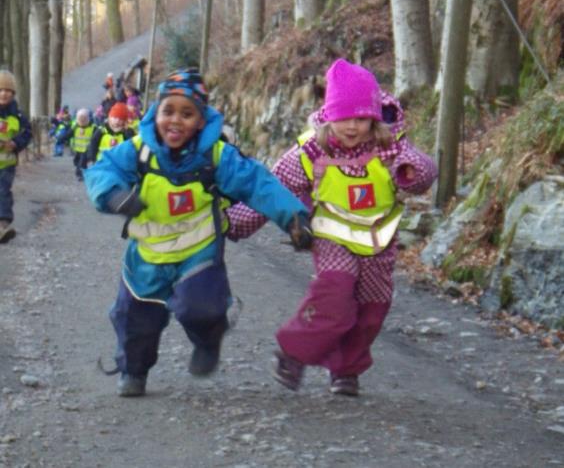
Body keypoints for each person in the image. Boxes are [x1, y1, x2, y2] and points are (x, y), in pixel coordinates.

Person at [83, 69, 312, 397]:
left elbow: (257, 183)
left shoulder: (216, 156)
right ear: (155, 113)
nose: (175, 121)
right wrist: (113, 195)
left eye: (187, 113)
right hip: (147, 252)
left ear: (202, 120)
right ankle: (133, 369)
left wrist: (293, 217)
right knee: (135, 320)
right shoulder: (138, 150)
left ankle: (209, 339)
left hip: (198, 250)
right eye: (168, 111)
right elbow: (103, 169)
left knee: (202, 307)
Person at [227, 59, 437, 396]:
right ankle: (294, 353)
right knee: (335, 293)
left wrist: (412, 173)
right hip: (331, 236)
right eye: (343, 118)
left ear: (373, 116)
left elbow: (424, 172)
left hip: (378, 240)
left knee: (372, 309)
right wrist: (234, 223)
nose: (352, 127)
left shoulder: (389, 146)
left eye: (360, 118)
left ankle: (346, 370)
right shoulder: (310, 152)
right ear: (328, 116)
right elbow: (273, 190)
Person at [0, 69, 32, 243]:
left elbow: (27, 133)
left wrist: (15, 143)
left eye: (7, 91)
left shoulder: (18, 115)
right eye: (0, 90)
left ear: (13, 94)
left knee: (3, 192)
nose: (3, 94)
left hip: (6, 164)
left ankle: (2, 225)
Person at [65, 108, 96, 181]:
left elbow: (96, 137)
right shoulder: (75, 127)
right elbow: (69, 134)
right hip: (77, 149)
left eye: (84, 119)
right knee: (76, 161)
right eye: (80, 119)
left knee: (82, 163)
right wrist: (62, 139)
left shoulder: (93, 127)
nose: (82, 121)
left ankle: (80, 174)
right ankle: (82, 171)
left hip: (86, 150)